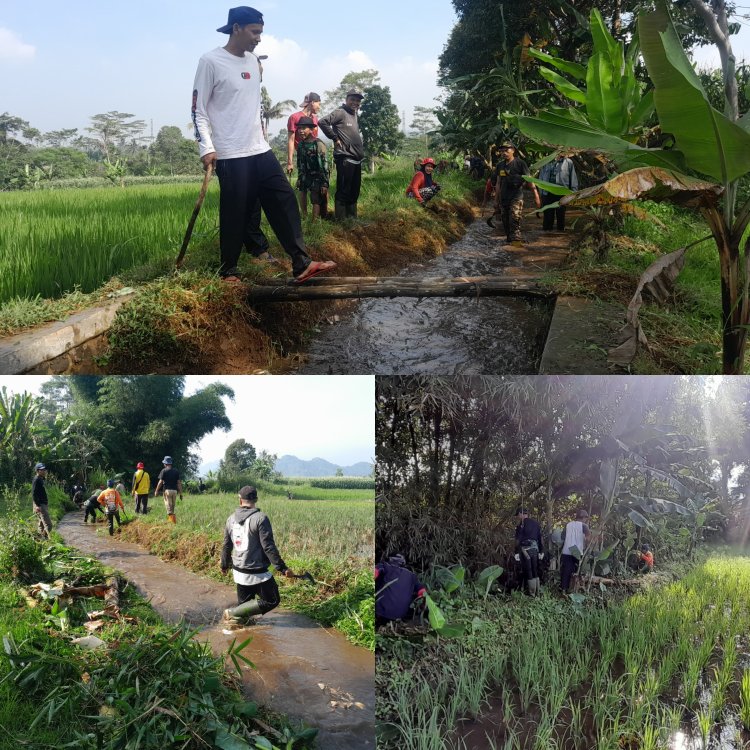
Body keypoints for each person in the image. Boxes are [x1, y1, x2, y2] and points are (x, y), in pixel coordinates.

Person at [191, 6, 336, 284]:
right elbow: (198, 110)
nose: (258, 38)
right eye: (254, 32)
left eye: (260, 32)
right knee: (236, 211)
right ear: (236, 28)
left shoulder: (253, 62)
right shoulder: (210, 61)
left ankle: (301, 262)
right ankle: (229, 272)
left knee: (283, 199)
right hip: (231, 153)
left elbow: (253, 107)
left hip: (260, 149)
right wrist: (206, 147)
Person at [220, 485, 295, 624]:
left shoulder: (230, 519)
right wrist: (282, 568)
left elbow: (226, 545)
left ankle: (236, 630)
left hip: (238, 571)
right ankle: (231, 613)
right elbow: (268, 547)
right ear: (256, 499)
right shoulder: (261, 518)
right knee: (272, 600)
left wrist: (224, 564)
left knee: (244, 615)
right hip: (256, 572)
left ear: (240, 500)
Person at [318, 88, 365, 220]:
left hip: (356, 159)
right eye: (353, 99)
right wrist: (335, 138)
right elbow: (322, 122)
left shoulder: (355, 114)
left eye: (358, 100)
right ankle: (341, 219)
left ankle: (352, 218)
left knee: (354, 190)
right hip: (345, 158)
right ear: (346, 99)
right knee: (344, 189)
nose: (355, 102)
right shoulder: (341, 112)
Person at [491, 142, 540, 246]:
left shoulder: (520, 163)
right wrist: (496, 201)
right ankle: (510, 247)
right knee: (506, 223)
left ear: (513, 150)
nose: (504, 153)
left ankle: (517, 247)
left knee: (514, 220)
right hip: (504, 198)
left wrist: (536, 196)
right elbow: (498, 183)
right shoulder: (500, 166)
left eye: (506, 150)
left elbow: (529, 180)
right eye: (502, 151)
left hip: (516, 197)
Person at [375, 554, 427, 626]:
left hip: (380, 612)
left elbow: (373, 573)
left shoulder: (384, 566)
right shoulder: (412, 576)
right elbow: (422, 591)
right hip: (399, 616)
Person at [295, 116, 330, 221]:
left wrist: (324, 183)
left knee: (316, 198)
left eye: (304, 128)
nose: (301, 131)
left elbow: (324, 165)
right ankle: (304, 217)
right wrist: (300, 178)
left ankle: (315, 222)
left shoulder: (318, 144)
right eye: (299, 128)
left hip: (317, 176)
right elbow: (300, 162)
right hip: (305, 175)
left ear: (311, 129)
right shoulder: (301, 145)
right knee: (302, 192)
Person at [538, 152, 579, 231]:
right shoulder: (546, 161)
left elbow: (573, 178)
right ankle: (547, 235)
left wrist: (573, 193)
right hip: (547, 193)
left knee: (561, 216)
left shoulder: (568, 162)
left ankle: (560, 233)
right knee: (547, 217)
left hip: (562, 193)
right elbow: (541, 177)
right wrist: (541, 193)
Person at [287, 92, 321, 178]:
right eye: (318, 104)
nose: (319, 107)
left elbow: (315, 138)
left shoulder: (315, 119)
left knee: (317, 183)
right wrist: (290, 162)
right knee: (303, 183)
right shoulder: (294, 117)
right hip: (302, 156)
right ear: (312, 102)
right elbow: (291, 140)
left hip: (315, 155)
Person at [514, 507, 544, 596]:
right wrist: (541, 551)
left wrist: (516, 552)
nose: (518, 517)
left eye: (518, 515)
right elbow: (540, 538)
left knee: (529, 570)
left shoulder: (521, 525)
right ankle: (537, 592)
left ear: (521, 514)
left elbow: (518, 540)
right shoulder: (536, 524)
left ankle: (532, 593)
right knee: (535, 569)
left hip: (525, 550)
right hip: (535, 549)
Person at [560, 509, 591, 593]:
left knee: (566, 571)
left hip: (566, 550)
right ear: (584, 517)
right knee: (576, 571)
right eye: (586, 518)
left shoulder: (568, 524)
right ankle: (573, 590)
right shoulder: (584, 526)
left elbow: (562, 537)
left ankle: (563, 590)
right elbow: (588, 539)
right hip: (576, 550)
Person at [153, 456, 183, 524]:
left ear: (165, 464)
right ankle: (172, 522)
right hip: (175, 491)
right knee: (172, 508)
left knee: (169, 508)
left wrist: (156, 491)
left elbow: (160, 482)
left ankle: (172, 523)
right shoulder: (176, 471)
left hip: (167, 491)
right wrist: (181, 494)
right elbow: (179, 483)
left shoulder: (164, 471)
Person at [31, 462, 52, 539]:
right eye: (42, 470)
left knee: (41, 524)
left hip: (43, 504)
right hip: (40, 505)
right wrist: (37, 505)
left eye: (44, 470)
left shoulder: (40, 479)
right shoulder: (36, 480)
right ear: (37, 471)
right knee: (49, 525)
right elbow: (34, 494)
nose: (44, 471)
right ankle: (43, 538)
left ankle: (40, 541)